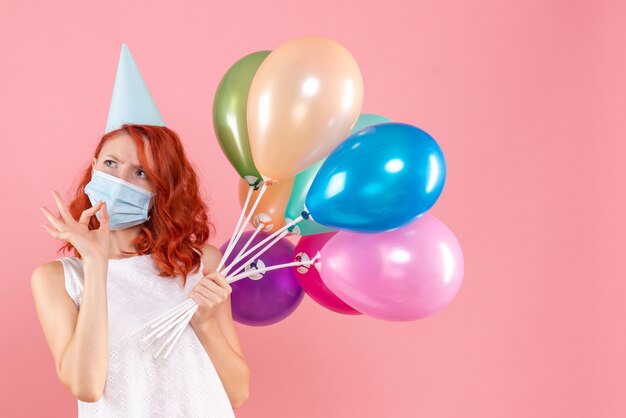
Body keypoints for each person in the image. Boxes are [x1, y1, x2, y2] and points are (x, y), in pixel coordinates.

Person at [31, 123, 249, 417]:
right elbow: (87, 386)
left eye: (140, 172)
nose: (120, 181)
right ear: (94, 167)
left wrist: (206, 322)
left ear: (162, 188)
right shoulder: (58, 278)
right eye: (111, 163)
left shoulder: (201, 263)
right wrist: (95, 264)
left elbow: (236, 394)